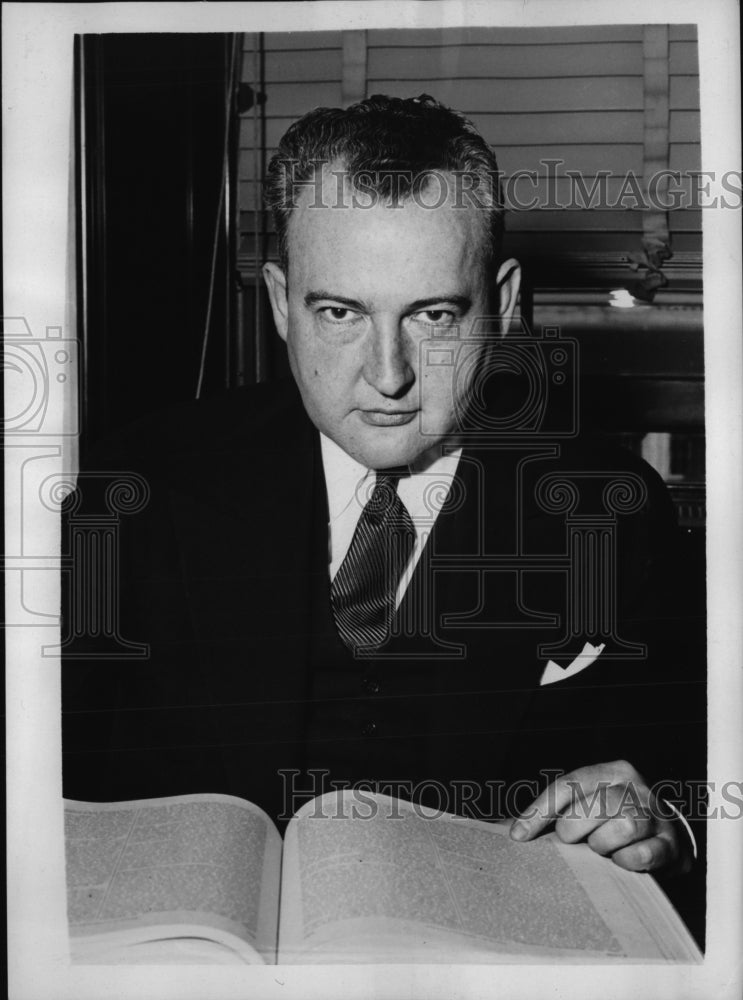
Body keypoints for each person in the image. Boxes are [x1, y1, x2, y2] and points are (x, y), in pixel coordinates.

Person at [62, 96, 704, 901]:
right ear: (277, 304)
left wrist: (662, 821)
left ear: (502, 304)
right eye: (339, 313)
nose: (389, 374)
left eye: (434, 314)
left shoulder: (613, 508)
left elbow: (688, 763)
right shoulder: (133, 488)